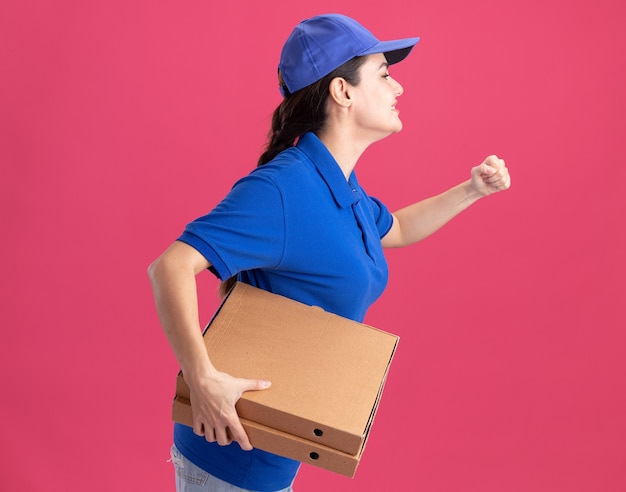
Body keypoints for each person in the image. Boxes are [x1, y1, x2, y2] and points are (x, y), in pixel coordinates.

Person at [148, 13, 511, 492]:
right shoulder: (286, 187)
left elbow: (396, 227)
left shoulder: (341, 188)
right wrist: (202, 380)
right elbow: (170, 266)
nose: (398, 88)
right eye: (384, 74)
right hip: (229, 460)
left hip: (275, 450)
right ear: (342, 92)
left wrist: (471, 191)